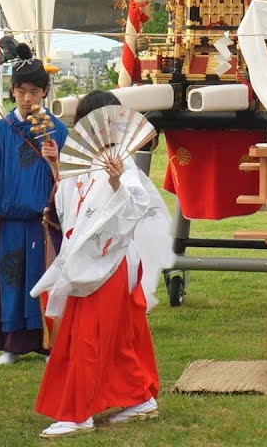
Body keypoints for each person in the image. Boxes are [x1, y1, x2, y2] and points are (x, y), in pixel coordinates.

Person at [30, 91, 174, 437]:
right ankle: (139, 397)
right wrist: (56, 168)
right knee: (119, 334)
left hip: (107, 260)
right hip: (93, 258)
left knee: (88, 335)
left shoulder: (118, 161)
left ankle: (79, 413)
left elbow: (137, 205)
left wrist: (115, 181)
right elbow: (70, 208)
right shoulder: (81, 160)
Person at [0, 44, 66, 365]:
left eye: (34, 91)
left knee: (44, 282)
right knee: (11, 280)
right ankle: (10, 345)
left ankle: (50, 344)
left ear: (45, 92)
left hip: (43, 219)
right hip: (9, 221)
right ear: (12, 92)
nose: (27, 98)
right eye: (21, 91)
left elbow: (69, 181)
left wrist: (56, 162)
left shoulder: (57, 130)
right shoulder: (0, 130)